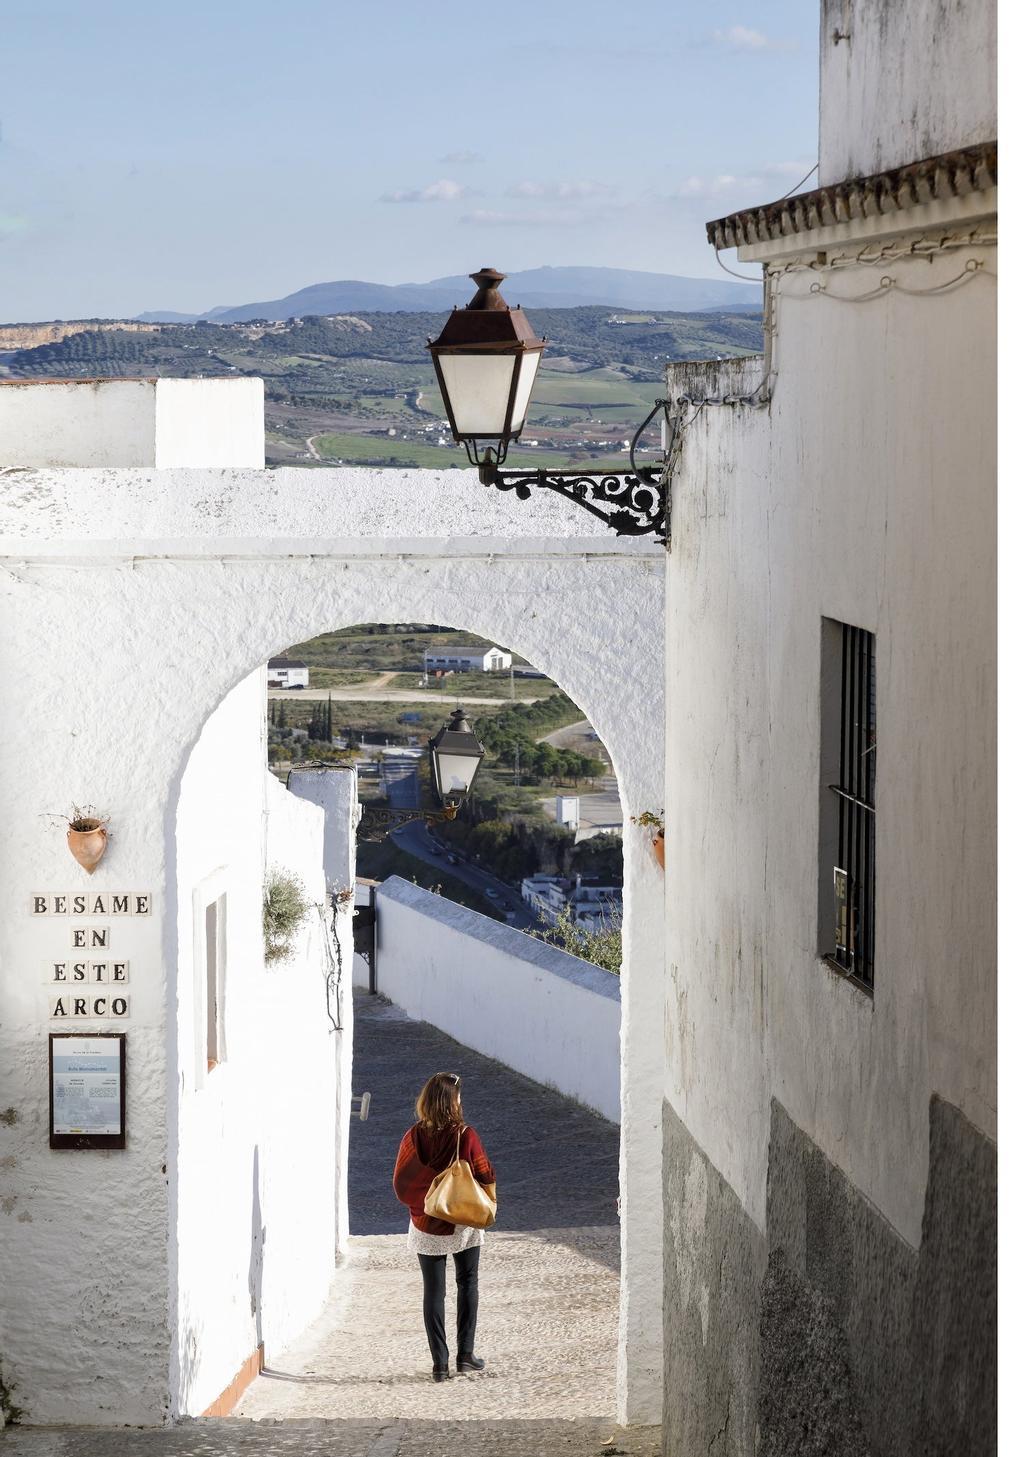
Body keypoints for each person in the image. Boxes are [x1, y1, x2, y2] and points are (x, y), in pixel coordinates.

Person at [393, 1071, 496, 1381]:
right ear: (454, 1102)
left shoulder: (412, 1136)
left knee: (433, 1292)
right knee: (468, 1283)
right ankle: (466, 1356)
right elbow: (484, 1173)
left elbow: (401, 1183)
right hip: (461, 1221)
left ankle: (440, 1363)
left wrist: (424, 1202)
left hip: (426, 1223)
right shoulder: (466, 1136)